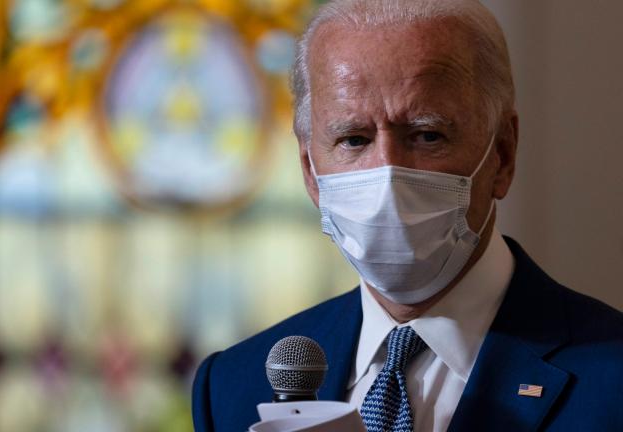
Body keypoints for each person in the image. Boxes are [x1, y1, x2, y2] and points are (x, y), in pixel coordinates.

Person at [191, 0, 623, 430]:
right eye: (354, 139)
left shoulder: (610, 378)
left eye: (427, 134)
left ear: (503, 155)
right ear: (309, 171)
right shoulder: (233, 387)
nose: (388, 174)